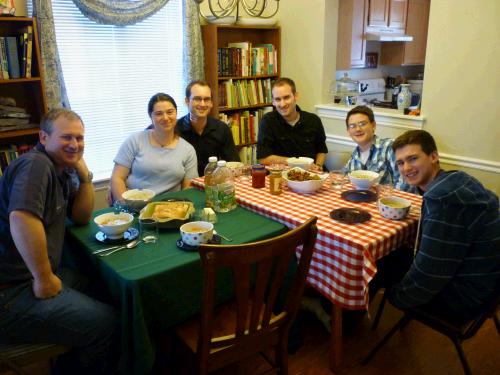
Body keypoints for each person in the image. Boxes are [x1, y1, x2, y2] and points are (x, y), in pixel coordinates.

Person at [0, 109, 118, 373]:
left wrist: (84, 174)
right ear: (43, 137)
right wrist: (43, 278)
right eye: (66, 137)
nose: (75, 144)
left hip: (27, 280)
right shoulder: (36, 165)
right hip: (11, 291)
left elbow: (81, 217)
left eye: (80, 138)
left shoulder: (59, 170)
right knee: (106, 323)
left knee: (104, 286)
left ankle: (69, 364)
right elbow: (21, 217)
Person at [388, 129, 500, 324]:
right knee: (395, 255)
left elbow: (430, 274)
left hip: (462, 299)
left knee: (382, 264)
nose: (406, 168)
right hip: (485, 283)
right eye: (400, 162)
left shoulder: (442, 200)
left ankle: (347, 324)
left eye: (413, 159)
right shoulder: (458, 180)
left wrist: (396, 295)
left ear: (433, 156)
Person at [110, 93, 198, 201]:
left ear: (176, 113)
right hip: (135, 206)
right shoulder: (134, 141)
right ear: (151, 116)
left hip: (170, 208)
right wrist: (126, 206)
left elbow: (188, 189)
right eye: (159, 114)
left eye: (170, 112)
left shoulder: (187, 150)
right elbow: (117, 178)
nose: (165, 118)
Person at [257, 77, 328, 169]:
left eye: (286, 97)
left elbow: (321, 150)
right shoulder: (267, 121)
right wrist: (296, 162)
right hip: (281, 174)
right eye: (278, 99)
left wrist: (318, 166)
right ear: (273, 102)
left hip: (312, 174)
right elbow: (263, 158)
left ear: (296, 96)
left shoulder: (313, 120)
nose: (282, 104)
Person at [177, 80, 240, 176]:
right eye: (197, 99)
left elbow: (233, 163)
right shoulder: (175, 130)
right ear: (187, 101)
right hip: (184, 185)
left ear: (211, 103)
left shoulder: (222, 129)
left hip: (214, 183)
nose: (202, 104)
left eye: (206, 99)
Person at [344, 105, 407, 189]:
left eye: (362, 124)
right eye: (352, 126)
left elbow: (404, 182)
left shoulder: (389, 147)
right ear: (348, 131)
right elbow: (345, 182)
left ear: (373, 125)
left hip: (390, 200)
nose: (358, 129)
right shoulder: (353, 159)